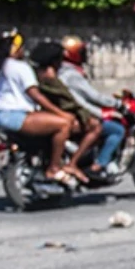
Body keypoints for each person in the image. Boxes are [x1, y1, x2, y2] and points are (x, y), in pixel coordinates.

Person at [0, 29, 78, 185]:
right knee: (64, 124)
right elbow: (35, 94)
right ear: (15, 50)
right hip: (16, 115)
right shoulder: (20, 67)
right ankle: (54, 168)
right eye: (21, 47)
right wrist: (60, 113)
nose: (23, 51)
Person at [58, 35, 127, 177]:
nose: (85, 56)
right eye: (82, 52)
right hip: (80, 115)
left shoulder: (60, 71)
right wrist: (117, 104)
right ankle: (100, 164)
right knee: (117, 130)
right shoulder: (72, 75)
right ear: (74, 54)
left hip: (70, 113)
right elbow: (93, 97)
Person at [30, 41, 99, 183]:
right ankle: (72, 164)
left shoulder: (38, 75)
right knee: (96, 126)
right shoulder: (51, 78)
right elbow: (69, 101)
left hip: (44, 113)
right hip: (57, 115)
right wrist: (87, 115)